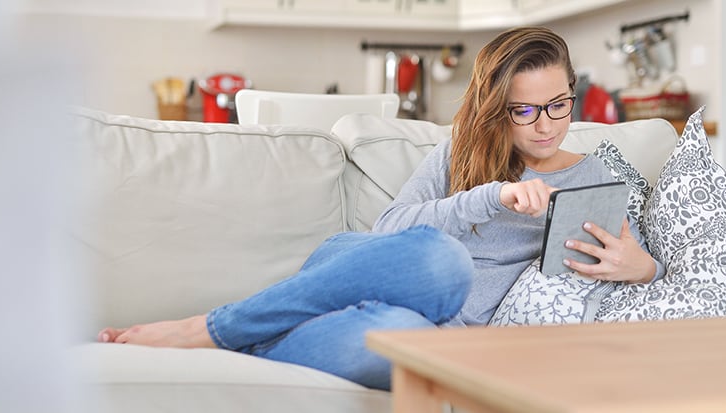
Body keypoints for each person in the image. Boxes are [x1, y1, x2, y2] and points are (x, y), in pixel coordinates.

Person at [97, 26, 664, 391]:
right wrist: (491, 197)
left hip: (428, 329)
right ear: (496, 108)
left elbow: (645, 266)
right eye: (524, 111)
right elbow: (388, 231)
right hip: (373, 270)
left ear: (573, 91)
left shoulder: (598, 176)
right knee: (445, 261)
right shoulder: (459, 154)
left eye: (559, 104)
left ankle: (254, 337)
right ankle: (209, 327)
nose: (546, 124)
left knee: (412, 349)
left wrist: (642, 267)